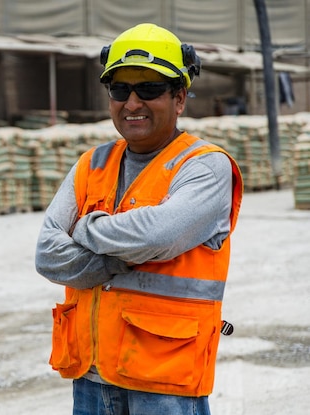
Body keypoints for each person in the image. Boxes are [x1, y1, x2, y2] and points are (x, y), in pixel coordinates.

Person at [35, 23, 243, 415]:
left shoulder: (204, 167)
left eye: (149, 89)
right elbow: (47, 253)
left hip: (165, 382)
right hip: (92, 375)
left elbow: (157, 235)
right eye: (120, 89)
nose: (132, 102)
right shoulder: (91, 164)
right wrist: (120, 258)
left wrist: (84, 228)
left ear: (179, 98)